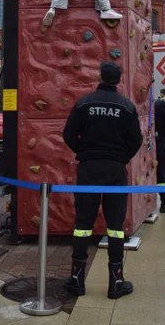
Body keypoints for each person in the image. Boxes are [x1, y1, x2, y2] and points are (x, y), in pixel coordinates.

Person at [63, 61, 143, 300]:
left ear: (100, 76)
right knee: (116, 228)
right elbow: (136, 140)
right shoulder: (127, 107)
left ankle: (77, 280)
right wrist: (121, 158)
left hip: (88, 168)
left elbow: (68, 134)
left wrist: (84, 152)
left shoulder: (84, 103)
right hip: (115, 171)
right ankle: (116, 282)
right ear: (118, 80)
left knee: (83, 225)